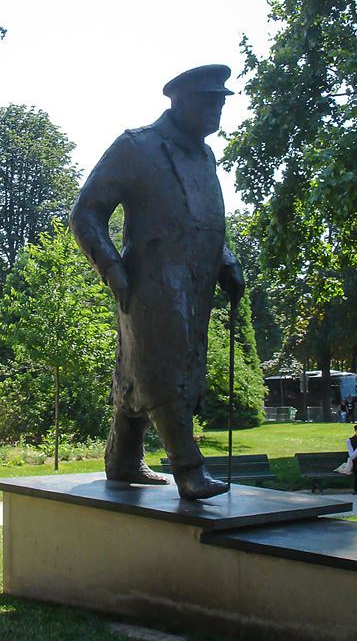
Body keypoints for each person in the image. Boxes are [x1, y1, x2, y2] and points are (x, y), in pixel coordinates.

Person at [70, 64, 245, 500]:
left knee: (138, 372)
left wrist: (226, 260)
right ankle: (188, 468)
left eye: (221, 101)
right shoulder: (137, 147)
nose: (217, 109)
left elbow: (202, 220)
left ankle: (123, 459)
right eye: (209, 101)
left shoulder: (205, 156)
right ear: (179, 101)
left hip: (197, 282)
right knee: (165, 368)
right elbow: (86, 213)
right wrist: (113, 269)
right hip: (151, 279)